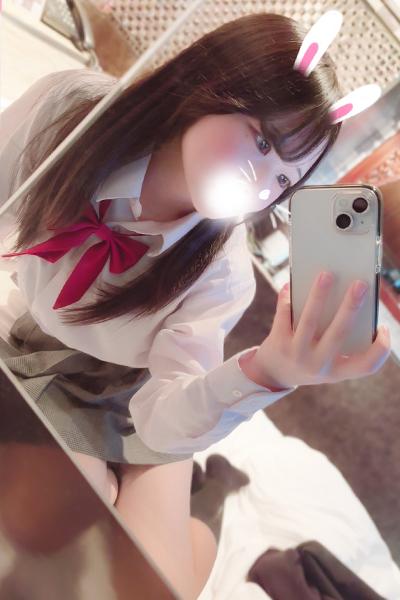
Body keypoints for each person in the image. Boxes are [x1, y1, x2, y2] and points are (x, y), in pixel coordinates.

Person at [0, 12, 391, 600]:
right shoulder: (69, 114)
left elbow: (164, 420)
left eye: (285, 181)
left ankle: (207, 510)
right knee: (48, 516)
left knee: (151, 587)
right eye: (264, 142)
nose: (264, 184)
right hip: (57, 358)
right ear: (214, 80)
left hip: (141, 398)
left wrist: (268, 371)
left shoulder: (224, 272)